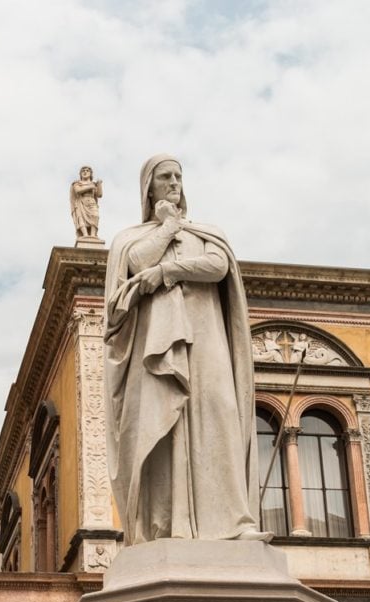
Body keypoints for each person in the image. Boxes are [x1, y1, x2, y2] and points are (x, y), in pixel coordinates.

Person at [104, 154, 270, 545]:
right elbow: (134, 263)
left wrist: (167, 272)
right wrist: (167, 227)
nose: (175, 182)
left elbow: (217, 266)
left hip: (206, 340)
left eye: (179, 176)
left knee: (220, 417)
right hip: (155, 348)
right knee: (163, 426)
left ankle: (232, 522)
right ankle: (167, 526)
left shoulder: (205, 233)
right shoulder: (132, 238)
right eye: (166, 176)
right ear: (150, 187)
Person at [70, 166, 103, 239]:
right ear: (80, 174)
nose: (85, 172)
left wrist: (99, 184)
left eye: (87, 171)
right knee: (81, 218)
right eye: (83, 171)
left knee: (95, 216)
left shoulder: (94, 184)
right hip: (81, 202)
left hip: (91, 202)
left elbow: (99, 195)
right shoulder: (77, 183)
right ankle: (85, 235)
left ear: (91, 174)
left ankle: (93, 235)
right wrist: (90, 187)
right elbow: (78, 191)